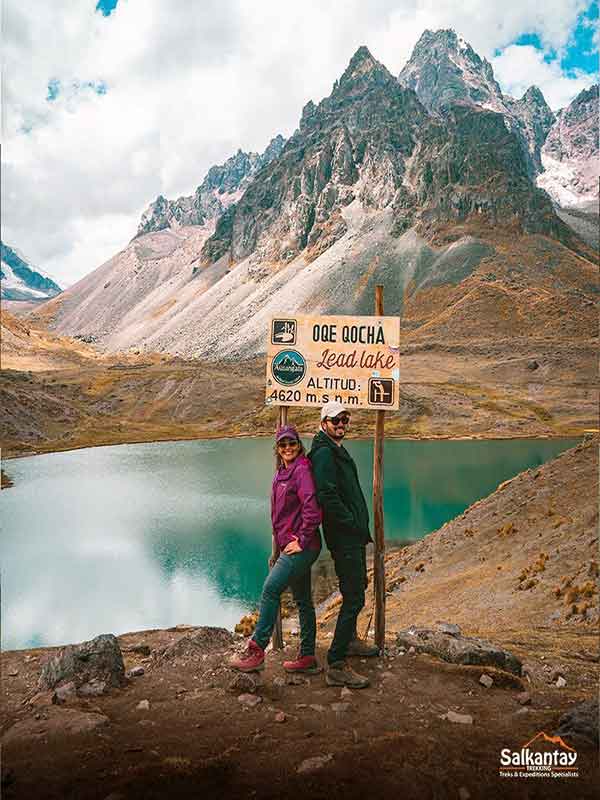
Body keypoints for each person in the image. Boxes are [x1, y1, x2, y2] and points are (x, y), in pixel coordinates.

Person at [230, 424, 322, 673]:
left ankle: (256, 650)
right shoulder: (284, 471)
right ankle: (307, 657)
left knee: (271, 589)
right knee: (303, 601)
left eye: (292, 443)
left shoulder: (301, 469)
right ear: (277, 449)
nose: (288, 447)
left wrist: (301, 540)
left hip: (302, 547)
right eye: (283, 444)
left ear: (299, 445)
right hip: (290, 547)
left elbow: (313, 511)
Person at [308, 401, 379, 689]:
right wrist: (351, 523)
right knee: (354, 596)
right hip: (344, 536)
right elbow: (327, 495)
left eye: (345, 420)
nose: (341, 425)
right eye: (336, 420)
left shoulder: (333, 447)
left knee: (358, 585)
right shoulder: (324, 453)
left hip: (350, 535)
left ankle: (349, 641)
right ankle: (336, 663)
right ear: (324, 422)